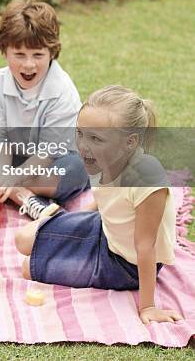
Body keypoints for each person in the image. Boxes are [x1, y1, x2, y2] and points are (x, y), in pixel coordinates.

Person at [15, 85, 183, 325]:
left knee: (27, 268)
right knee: (22, 239)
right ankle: (56, 220)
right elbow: (107, 196)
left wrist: (148, 306)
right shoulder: (100, 157)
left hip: (126, 263)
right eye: (81, 134)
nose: (83, 145)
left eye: (95, 138)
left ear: (130, 142)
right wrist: (74, 222)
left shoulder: (146, 179)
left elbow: (146, 245)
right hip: (103, 229)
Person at [0, 0, 89, 218]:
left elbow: (48, 153)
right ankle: (23, 196)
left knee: (76, 170)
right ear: (4, 51)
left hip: (49, 161)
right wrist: (6, 176)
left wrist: (7, 178)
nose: (28, 64)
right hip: (11, 160)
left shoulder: (62, 90)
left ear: (52, 53)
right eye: (19, 55)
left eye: (38, 55)